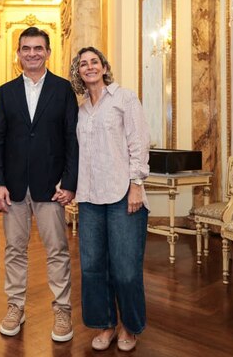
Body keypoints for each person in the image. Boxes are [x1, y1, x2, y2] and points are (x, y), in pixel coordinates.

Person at [0, 26, 78, 342]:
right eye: (26, 48)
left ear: (48, 52)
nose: (32, 53)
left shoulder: (63, 89)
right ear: (18, 54)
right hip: (13, 188)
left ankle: (62, 311)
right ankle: (15, 307)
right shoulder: (6, 91)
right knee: (14, 250)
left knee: (58, 250)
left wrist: (69, 182)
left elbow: (71, 139)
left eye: (38, 48)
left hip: (51, 187)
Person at [69, 46, 150, 352]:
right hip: (90, 196)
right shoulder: (80, 110)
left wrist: (136, 184)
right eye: (83, 64)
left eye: (94, 62)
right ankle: (106, 324)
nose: (89, 67)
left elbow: (139, 142)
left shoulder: (124, 98)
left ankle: (130, 325)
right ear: (78, 72)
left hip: (122, 195)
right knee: (92, 267)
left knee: (125, 268)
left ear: (104, 67)